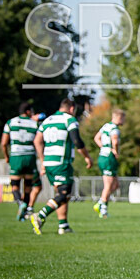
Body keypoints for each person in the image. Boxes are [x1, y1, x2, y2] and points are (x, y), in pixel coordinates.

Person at [31, 98, 93, 235]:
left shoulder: (47, 121)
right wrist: (88, 157)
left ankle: (63, 225)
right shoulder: (69, 120)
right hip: (61, 162)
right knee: (64, 193)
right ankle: (40, 215)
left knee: (61, 194)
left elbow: (37, 140)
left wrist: (42, 160)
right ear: (71, 109)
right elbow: (77, 141)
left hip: (48, 163)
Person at [1, 102, 42, 221]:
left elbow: (4, 143)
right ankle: (25, 211)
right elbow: (39, 140)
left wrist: (6, 156)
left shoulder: (11, 122)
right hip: (30, 156)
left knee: (15, 185)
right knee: (28, 185)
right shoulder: (34, 124)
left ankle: (20, 204)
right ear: (28, 111)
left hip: (16, 156)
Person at [93, 109, 126, 218]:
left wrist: (103, 147)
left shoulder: (105, 126)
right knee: (108, 185)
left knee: (115, 185)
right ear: (118, 117)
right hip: (108, 158)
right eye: (123, 118)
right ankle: (103, 209)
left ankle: (101, 202)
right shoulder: (114, 129)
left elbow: (96, 138)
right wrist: (114, 150)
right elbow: (115, 141)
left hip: (103, 156)